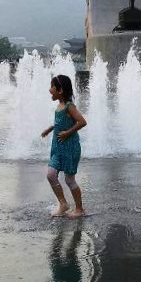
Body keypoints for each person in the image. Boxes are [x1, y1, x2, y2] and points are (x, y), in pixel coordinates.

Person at [41, 75, 87, 218]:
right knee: (51, 175)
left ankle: (79, 209)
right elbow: (59, 122)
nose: (50, 90)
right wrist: (50, 129)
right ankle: (63, 204)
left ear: (60, 90)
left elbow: (82, 122)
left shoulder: (69, 106)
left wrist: (67, 133)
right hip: (58, 147)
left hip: (70, 148)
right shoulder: (59, 106)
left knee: (69, 180)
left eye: (52, 87)